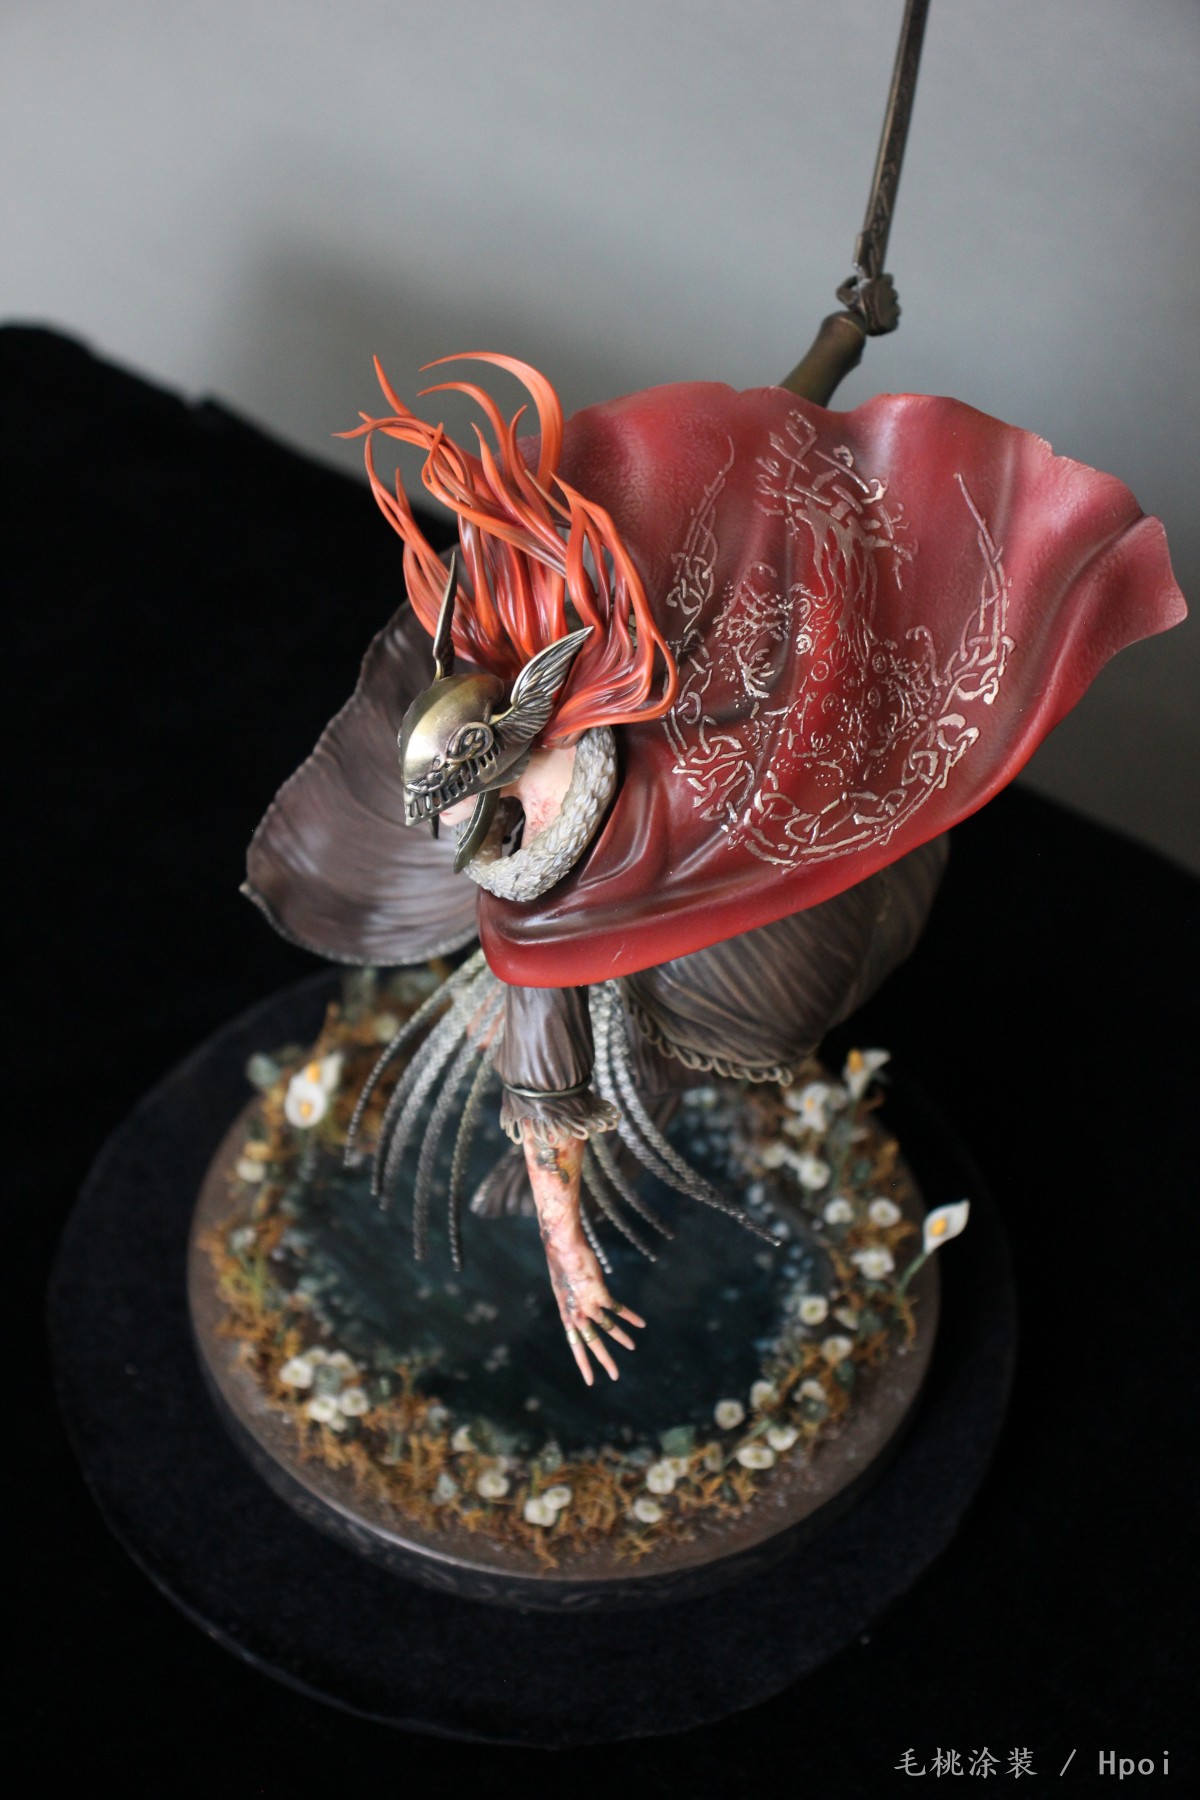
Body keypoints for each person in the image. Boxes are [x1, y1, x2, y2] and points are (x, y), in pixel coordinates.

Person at [245, 307, 1185, 1385]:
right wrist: (567, 1253)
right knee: (624, 1037)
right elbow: (547, 1104)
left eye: (466, 803)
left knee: (700, 1013)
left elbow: (754, 468)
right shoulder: (530, 880)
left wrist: (840, 338)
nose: (458, 829)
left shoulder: (648, 683)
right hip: (720, 929)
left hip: (787, 890)